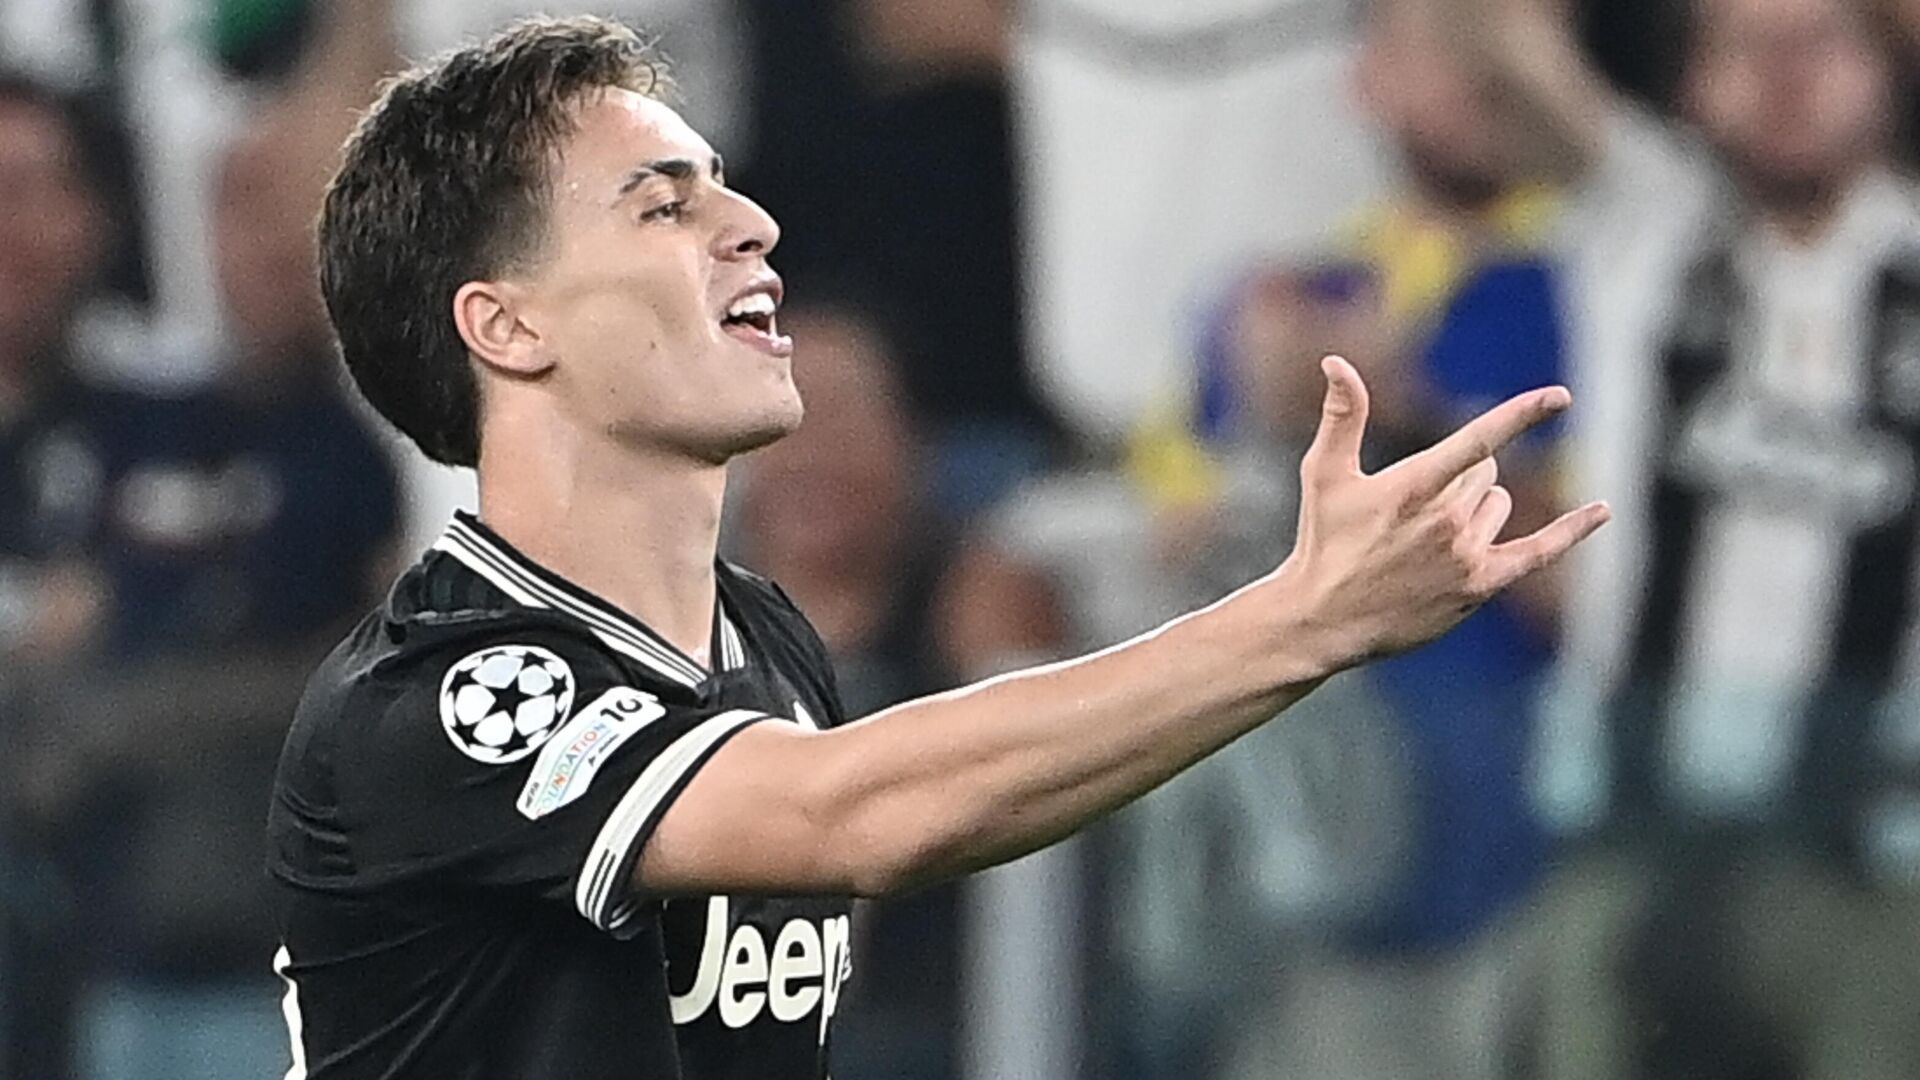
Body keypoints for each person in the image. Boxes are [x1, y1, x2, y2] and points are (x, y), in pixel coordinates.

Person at [267, 15, 1608, 1080]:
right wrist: (1304, 621)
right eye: (662, 208)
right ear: (508, 327)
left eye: (723, 188)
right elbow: (851, 816)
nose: (752, 227)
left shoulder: (765, 644)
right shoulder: (444, 695)